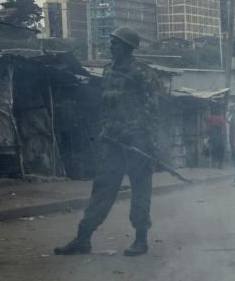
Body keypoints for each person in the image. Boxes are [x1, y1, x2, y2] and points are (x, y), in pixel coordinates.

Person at [54, 26, 161, 257]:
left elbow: (154, 109)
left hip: (137, 141)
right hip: (113, 139)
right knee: (102, 188)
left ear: (127, 47)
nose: (111, 46)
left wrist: (150, 143)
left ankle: (140, 240)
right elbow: (106, 107)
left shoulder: (142, 73)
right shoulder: (108, 71)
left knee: (140, 190)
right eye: (112, 42)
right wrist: (104, 131)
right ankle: (83, 238)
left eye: (116, 43)